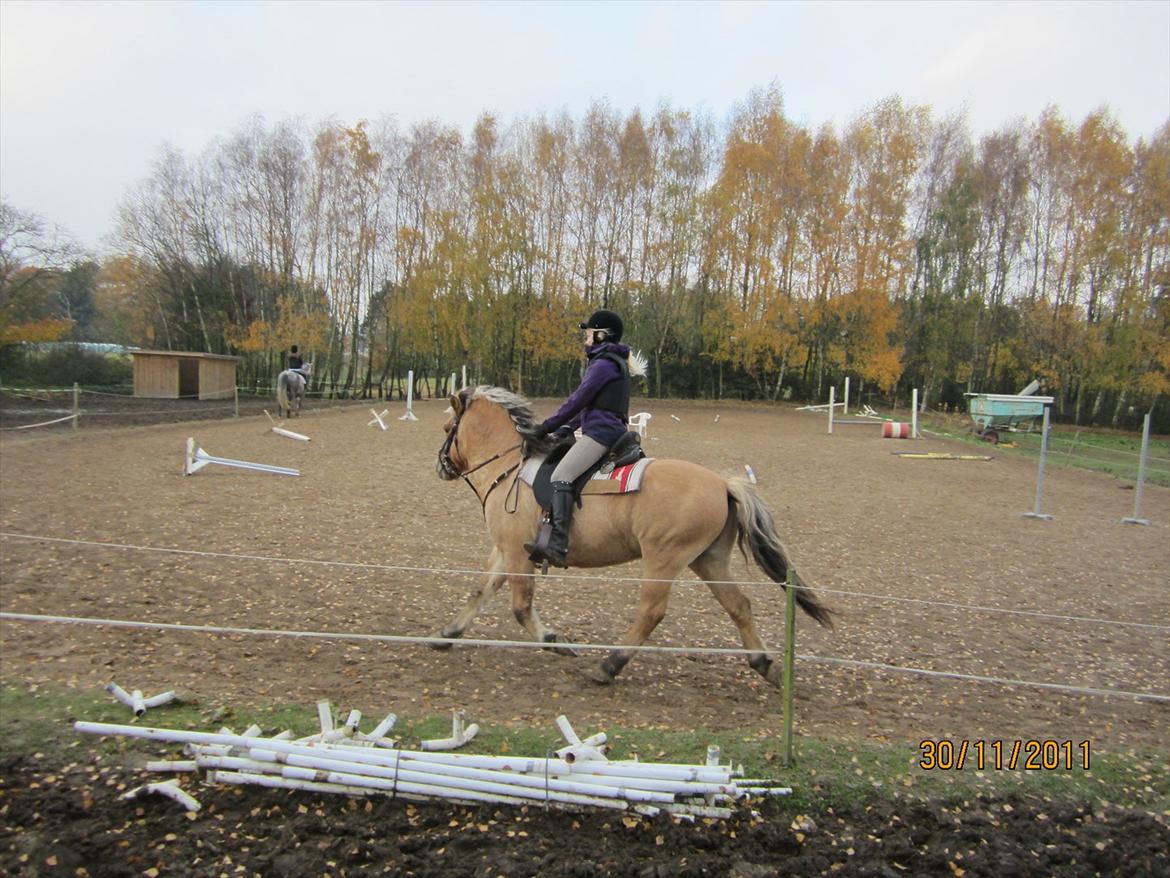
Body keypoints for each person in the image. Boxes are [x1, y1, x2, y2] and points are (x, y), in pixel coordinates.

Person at [522, 309, 631, 568]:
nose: (586, 339)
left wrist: (547, 426)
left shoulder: (603, 365)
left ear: (602, 336)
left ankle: (558, 544)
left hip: (602, 434)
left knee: (561, 475)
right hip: (603, 428)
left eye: (590, 334)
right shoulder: (610, 361)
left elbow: (578, 399)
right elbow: (589, 407)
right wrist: (565, 429)